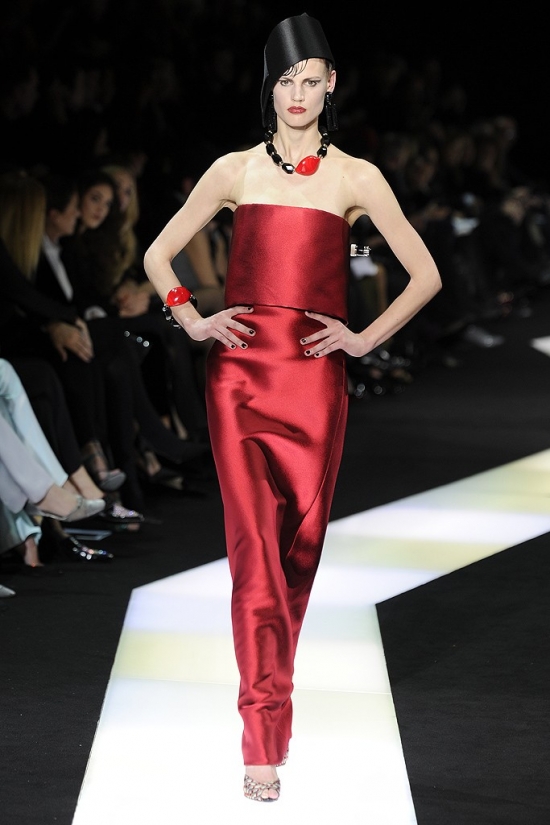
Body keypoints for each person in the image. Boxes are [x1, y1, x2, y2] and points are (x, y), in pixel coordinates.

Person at [143, 13, 441, 803]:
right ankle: (262, 740)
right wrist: (191, 317)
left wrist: (363, 338)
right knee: (254, 557)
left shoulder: (356, 178)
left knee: (296, 555)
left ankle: (269, 706)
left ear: (331, 84)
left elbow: (425, 273)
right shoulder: (234, 169)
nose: (298, 95)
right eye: (285, 81)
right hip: (238, 379)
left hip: (314, 381)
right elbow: (157, 253)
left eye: (311, 81)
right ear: (268, 86)